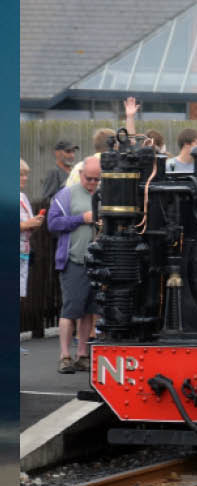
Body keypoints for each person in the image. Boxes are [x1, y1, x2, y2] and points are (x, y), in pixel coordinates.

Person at [47, 156, 101, 374]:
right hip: (73, 261)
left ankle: (82, 355)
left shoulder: (102, 196)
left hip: (96, 262)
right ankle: (65, 356)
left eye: (97, 180)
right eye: (89, 179)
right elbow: (53, 224)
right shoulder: (66, 195)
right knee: (70, 310)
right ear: (80, 175)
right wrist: (81, 218)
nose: (92, 183)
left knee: (89, 311)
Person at [21, 160, 44, 353]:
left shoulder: (23, 197)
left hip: (23, 250)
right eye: (20, 175)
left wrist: (34, 223)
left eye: (26, 175)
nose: (25, 179)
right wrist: (26, 225)